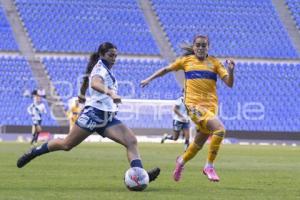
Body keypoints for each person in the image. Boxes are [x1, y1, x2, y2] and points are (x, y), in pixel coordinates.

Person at [17, 42, 160, 183]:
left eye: (116, 56)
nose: (114, 58)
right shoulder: (100, 70)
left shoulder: (102, 69)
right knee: (66, 144)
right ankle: (34, 152)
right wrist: (111, 93)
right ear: (102, 55)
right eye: (111, 55)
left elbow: (87, 81)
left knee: (131, 141)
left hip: (107, 117)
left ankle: (139, 175)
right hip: (94, 114)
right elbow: (95, 83)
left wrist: (81, 94)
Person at [141, 35, 235, 182]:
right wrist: (149, 79)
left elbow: (229, 83)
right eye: (198, 45)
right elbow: (166, 70)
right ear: (193, 46)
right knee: (220, 129)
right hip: (193, 106)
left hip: (211, 107)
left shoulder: (215, 63)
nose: (201, 48)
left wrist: (231, 70)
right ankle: (209, 166)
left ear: (208, 47)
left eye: (204, 45)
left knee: (197, 144)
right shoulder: (186, 61)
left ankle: (181, 162)